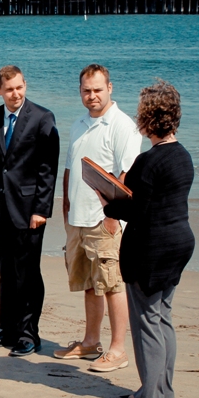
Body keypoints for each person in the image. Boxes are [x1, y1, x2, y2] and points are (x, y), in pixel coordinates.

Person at [100, 80, 194, 398]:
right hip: (180, 241)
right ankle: (163, 388)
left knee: (148, 320)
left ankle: (149, 393)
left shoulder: (148, 162)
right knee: (163, 316)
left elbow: (134, 210)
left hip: (151, 248)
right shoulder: (183, 156)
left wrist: (106, 200)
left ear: (146, 121)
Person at [55, 64, 142, 371]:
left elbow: (127, 173)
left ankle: (118, 350)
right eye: (86, 90)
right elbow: (69, 169)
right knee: (90, 284)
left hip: (105, 220)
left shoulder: (122, 125)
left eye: (97, 90)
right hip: (78, 219)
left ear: (110, 88)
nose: (92, 96)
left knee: (113, 284)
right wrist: (66, 208)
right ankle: (91, 343)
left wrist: (113, 217)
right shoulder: (78, 124)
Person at [0, 65, 60, 357]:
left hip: (29, 210)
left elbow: (48, 169)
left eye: (20, 87)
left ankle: (28, 334)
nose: (15, 94)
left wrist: (41, 210)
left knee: (27, 273)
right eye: (9, 89)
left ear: (26, 85)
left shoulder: (42, 118)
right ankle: (8, 329)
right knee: (6, 271)